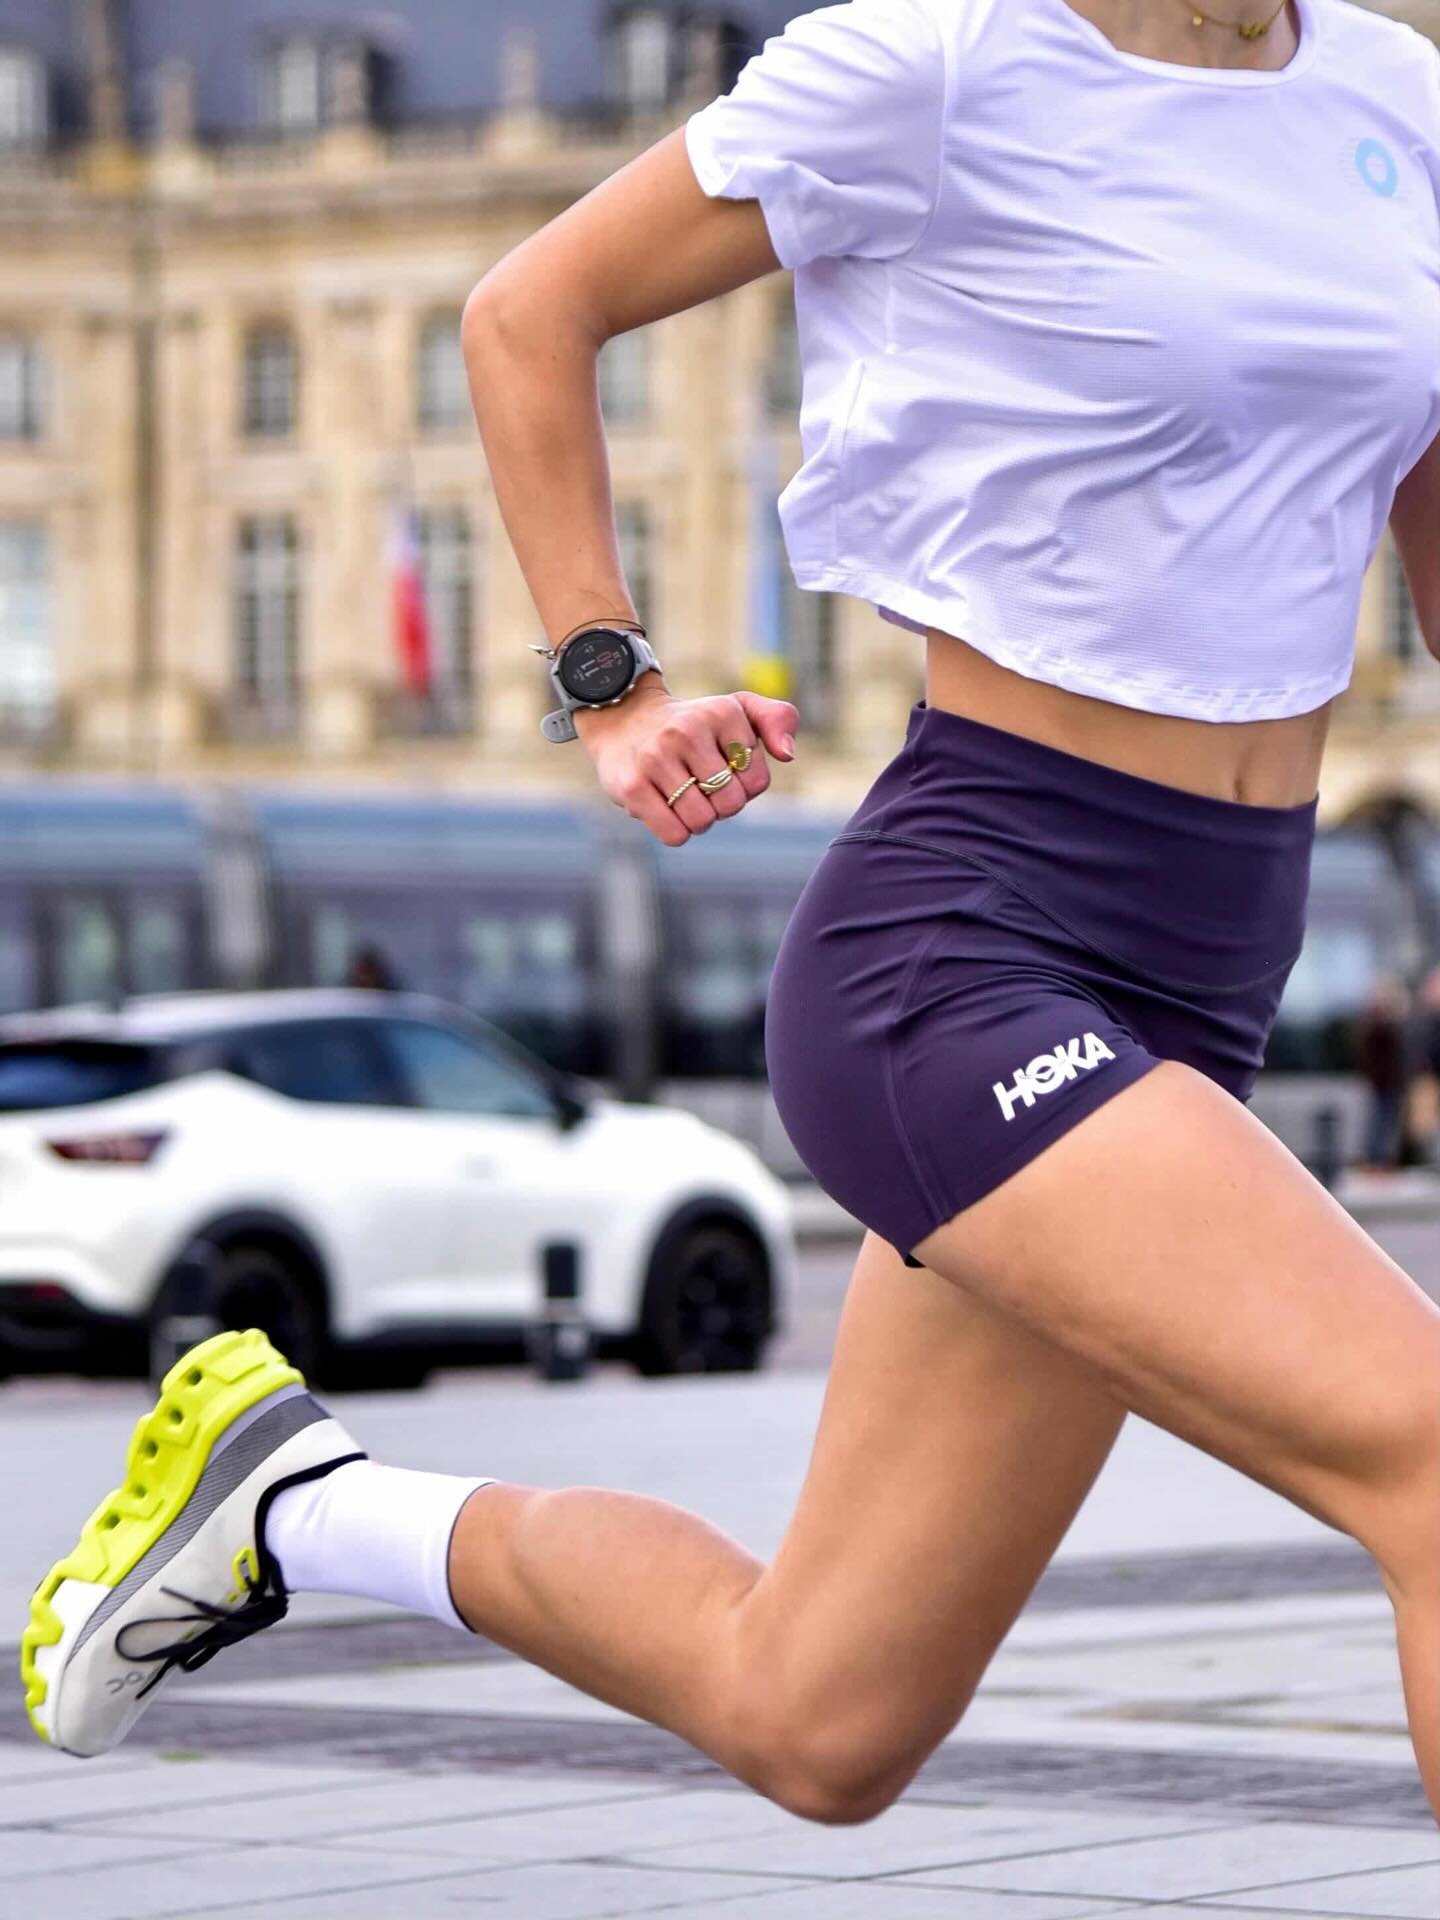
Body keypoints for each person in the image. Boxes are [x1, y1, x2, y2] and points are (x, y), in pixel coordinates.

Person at [21, 0, 1440, 1829]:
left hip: (1212, 959)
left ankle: (294, 1500)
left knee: (821, 1714)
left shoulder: (1400, 96)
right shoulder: (934, 66)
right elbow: (528, 309)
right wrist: (613, 686)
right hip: (968, 956)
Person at [1355, 976, 1410, 1170]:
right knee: (1382, 1122)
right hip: (1386, 1083)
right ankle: (1376, 1160)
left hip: (1384, 1083)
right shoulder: (1382, 1026)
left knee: (1381, 1122)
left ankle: (1376, 1159)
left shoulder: (1371, 1024)